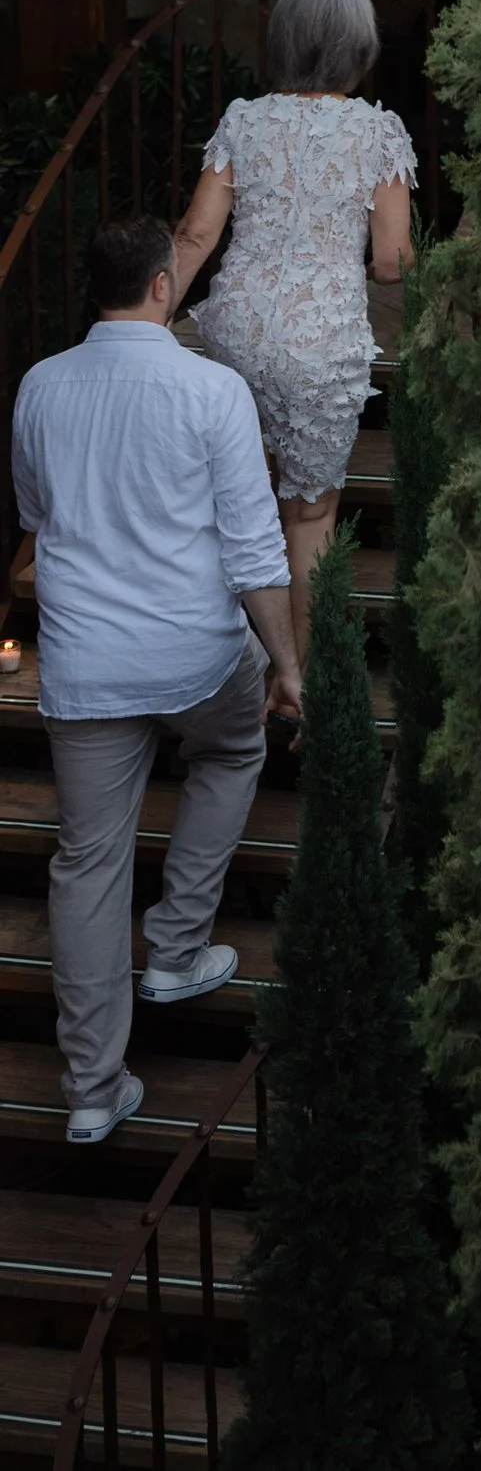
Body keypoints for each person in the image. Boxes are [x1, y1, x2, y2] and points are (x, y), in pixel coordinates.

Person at [12, 209, 301, 1150]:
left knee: (88, 866)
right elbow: (257, 549)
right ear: (164, 286)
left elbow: (36, 509)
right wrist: (288, 666)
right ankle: (177, 948)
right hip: (192, 654)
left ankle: (93, 1091)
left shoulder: (38, 388)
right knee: (233, 745)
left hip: (87, 661)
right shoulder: (212, 390)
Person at [167, 0, 415, 673]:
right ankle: (302, 681)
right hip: (318, 339)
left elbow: (193, 238)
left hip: (235, 329)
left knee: (231, 500)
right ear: (359, 47)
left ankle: (217, 668)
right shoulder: (378, 131)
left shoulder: (243, 120)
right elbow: (394, 260)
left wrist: (149, 323)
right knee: (309, 516)